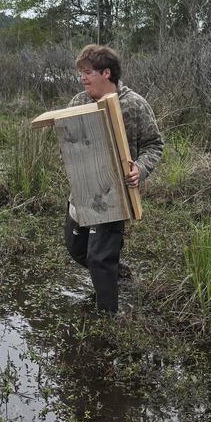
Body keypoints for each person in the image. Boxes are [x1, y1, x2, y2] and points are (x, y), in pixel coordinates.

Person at [64, 44, 163, 315]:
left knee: (99, 258)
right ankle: (114, 271)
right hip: (82, 192)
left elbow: (154, 145)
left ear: (106, 73)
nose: (83, 78)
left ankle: (107, 317)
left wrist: (140, 169)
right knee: (76, 249)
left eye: (88, 73)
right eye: (81, 74)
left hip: (114, 195)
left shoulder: (134, 104)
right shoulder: (78, 103)